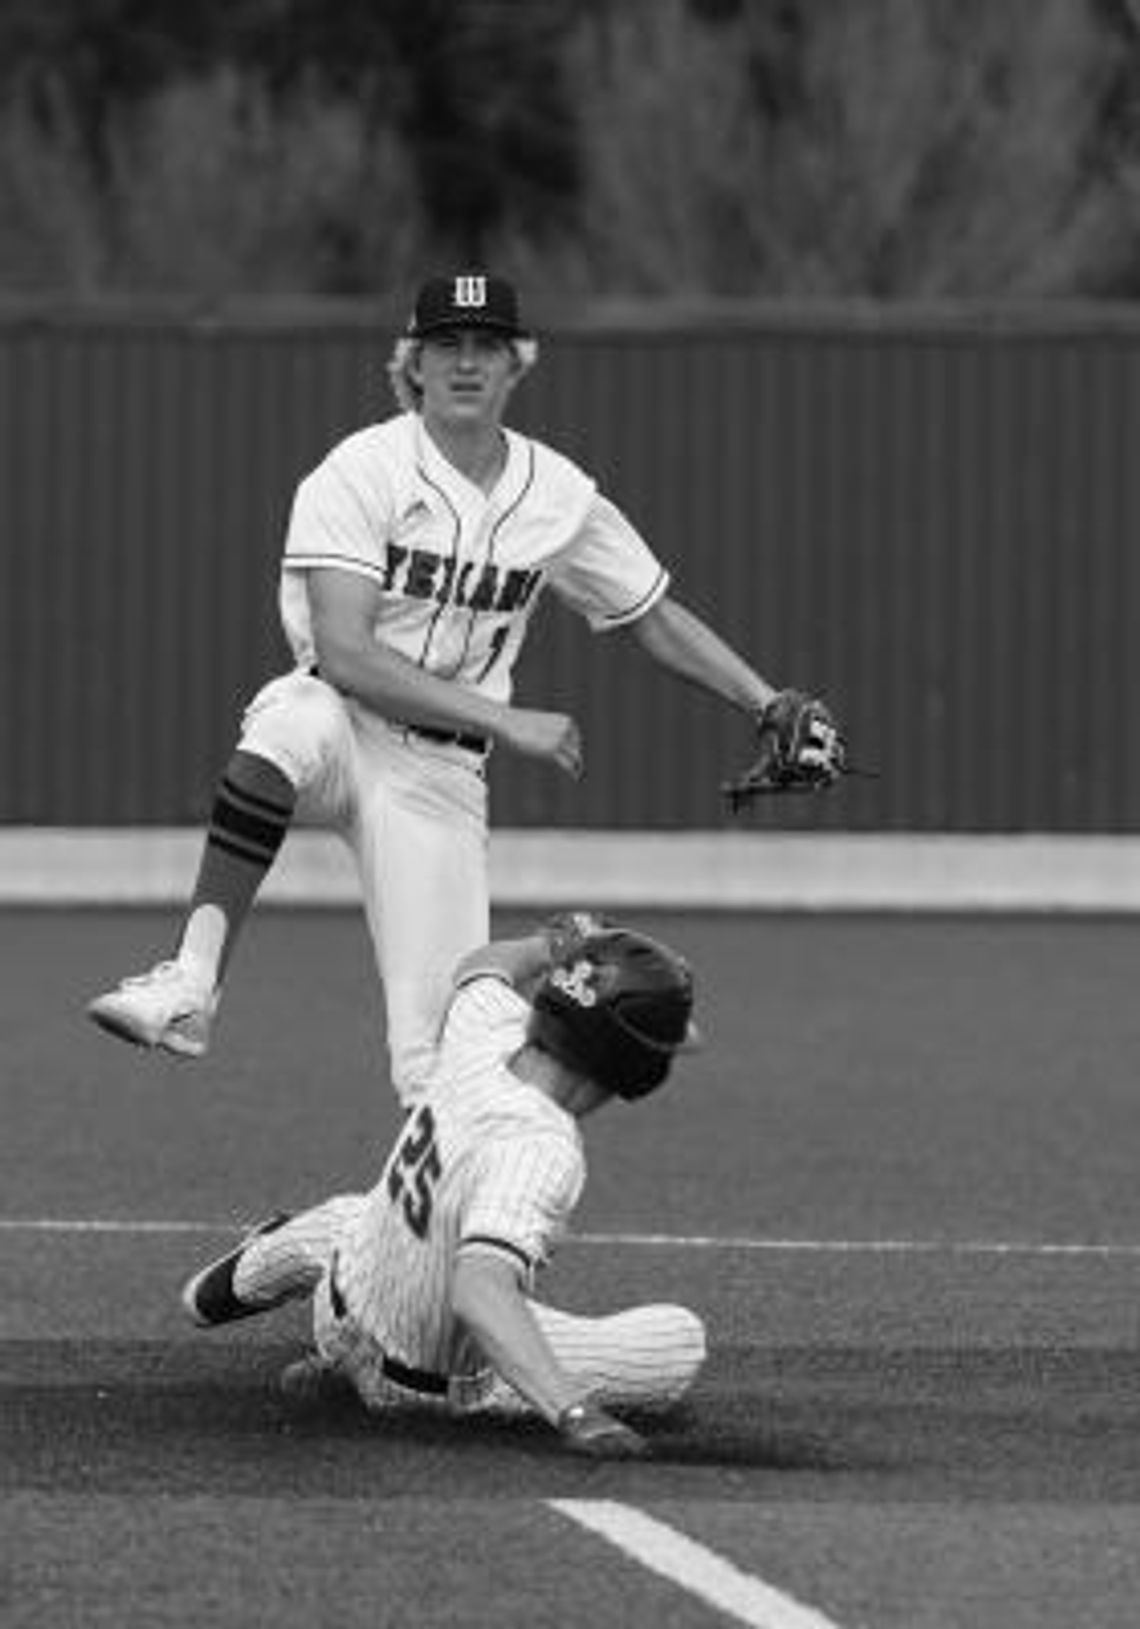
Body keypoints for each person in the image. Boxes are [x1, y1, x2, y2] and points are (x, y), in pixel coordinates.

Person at [88, 269, 816, 1104]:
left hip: (437, 778)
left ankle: (418, 1228)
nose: (467, 362)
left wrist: (768, 699)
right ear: (414, 364)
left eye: (487, 347)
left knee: (441, 1069)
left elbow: (652, 612)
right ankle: (190, 981)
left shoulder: (558, 494)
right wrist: (509, 722)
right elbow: (349, 653)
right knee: (288, 719)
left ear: (517, 365)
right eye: (447, 346)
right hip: (343, 723)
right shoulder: (360, 469)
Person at [178, 915, 707, 1459]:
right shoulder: (539, 1148)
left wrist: (549, 946)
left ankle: (228, 1283)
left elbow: (481, 967)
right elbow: (479, 1294)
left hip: (336, 1303)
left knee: (359, 1216)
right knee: (679, 1340)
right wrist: (574, 1411)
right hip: (414, 1389)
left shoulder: (490, 1028)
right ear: (635, 1066)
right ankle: (346, 1370)